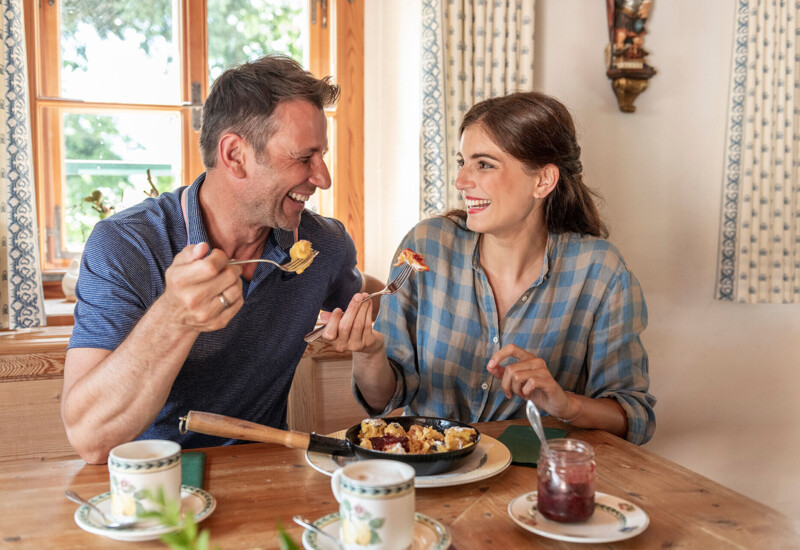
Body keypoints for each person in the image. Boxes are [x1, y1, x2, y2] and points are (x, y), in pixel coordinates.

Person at [62, 55, 383, 464]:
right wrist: (175, 315)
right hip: (152, 486)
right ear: (234, 154)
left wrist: (402, 295)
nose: (324, 178)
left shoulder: (323, 244)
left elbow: (366, 296)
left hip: (266, 475)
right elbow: (91, 439)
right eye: (304, 157)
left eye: (322, 155)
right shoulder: (126, 246)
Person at [323, 91, 656, 445]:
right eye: (462, 161)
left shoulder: (600, 271)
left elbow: (633, 417)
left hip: (530, 482)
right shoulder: (426, 248)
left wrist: (565, 403)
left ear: (542, 181)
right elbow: (380, 400)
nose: (461, 181)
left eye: (484, 164)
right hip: (435, 474)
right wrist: (369, 353)